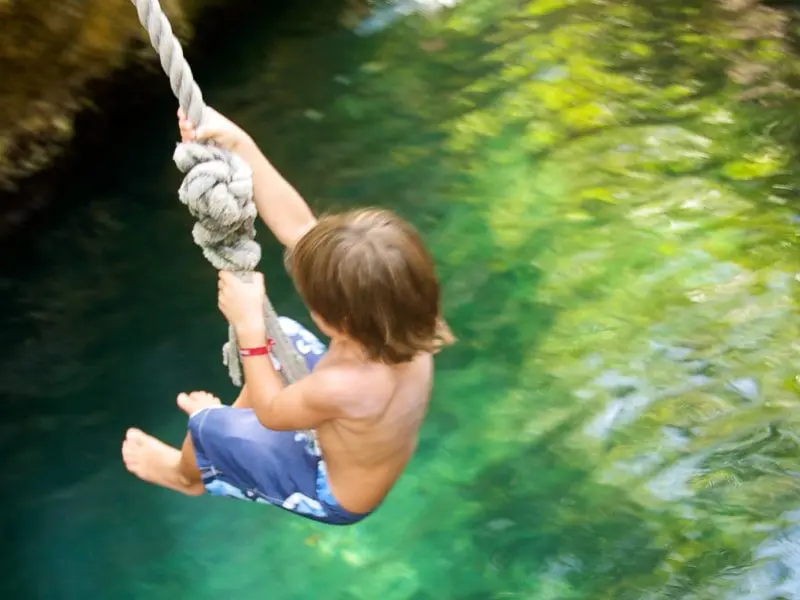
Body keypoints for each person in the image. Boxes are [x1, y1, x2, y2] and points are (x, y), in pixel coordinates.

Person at [121, 106, 454, 526]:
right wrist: (240, 145)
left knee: (208, 426)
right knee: (288, 338)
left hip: (329, 488)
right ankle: (225, 439)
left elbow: (273, 413)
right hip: (350, 436)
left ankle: (184, 475)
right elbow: (299, 227)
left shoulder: (346, 384)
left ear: (340, 321)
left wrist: (249, 331)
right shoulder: (407, 317)